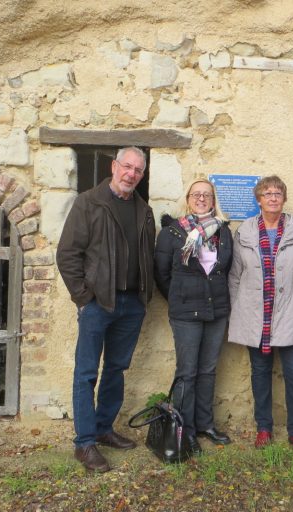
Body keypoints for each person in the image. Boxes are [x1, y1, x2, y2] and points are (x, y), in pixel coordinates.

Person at [56, 146, 155, 473]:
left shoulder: (144, 210)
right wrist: (84, 298)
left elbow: (147, 255)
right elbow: (67, 254)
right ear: (114, 166)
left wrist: (144, 297)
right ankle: (84, 443)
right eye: (127, 166)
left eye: (137, 170)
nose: (131, 174)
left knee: (116, 369)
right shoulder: (89, 202)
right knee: (86, 373)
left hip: (131, 305)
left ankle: (103, 428)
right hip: (98, 303)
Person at [228, 175, 293, 454]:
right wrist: (240, 307)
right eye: (267, 193)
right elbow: (235, 276)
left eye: (277, 193)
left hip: (291, 315)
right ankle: (264, 428)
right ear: (258, 200)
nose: (272, 198)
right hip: (256, 317)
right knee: (260, 373)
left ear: (283, 199)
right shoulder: (244, 232)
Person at [154, 178, 233, 454]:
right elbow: (162, 274)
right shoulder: (172, 232)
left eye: (207, 195)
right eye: (196, 194)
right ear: (187, 199)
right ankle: (184, 431)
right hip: (185, 312)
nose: (201, 199)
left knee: (208, 370)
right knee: (187, 372)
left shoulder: (223, 231)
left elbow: (226, 270)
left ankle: (205, 424)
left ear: (213, 200)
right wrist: (181, 297)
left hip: (216, 310)